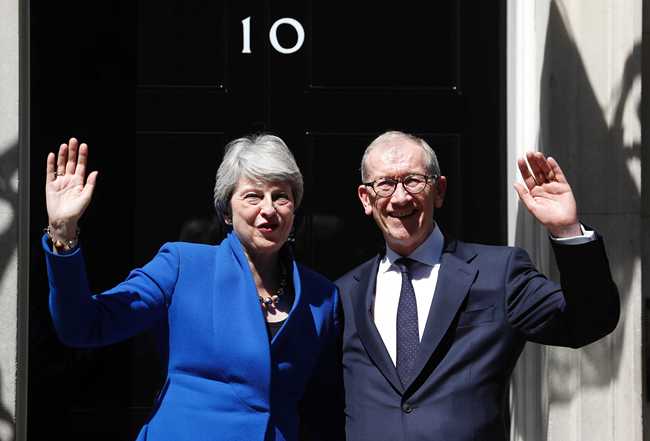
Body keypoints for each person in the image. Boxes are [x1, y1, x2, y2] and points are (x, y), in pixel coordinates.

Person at [42, 135, 342, 441]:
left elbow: (322, 410)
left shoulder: (322, 297)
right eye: (253, 196)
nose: (269, 209)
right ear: (227, 211)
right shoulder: (182, 265)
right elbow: (83, 326)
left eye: (281, 196)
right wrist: (63, 232)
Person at [336, 131, 620, 441]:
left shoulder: (498, 273)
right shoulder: (342, 295)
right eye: (386, 184)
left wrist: (566, 230)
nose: (401, 197)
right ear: (366, 198)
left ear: (440, 190)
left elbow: (589, 322)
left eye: (413, 181)